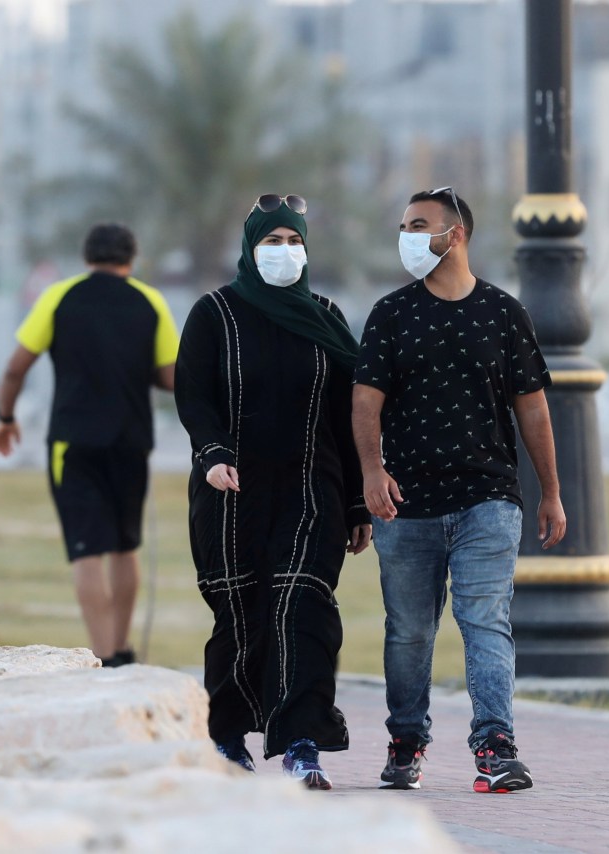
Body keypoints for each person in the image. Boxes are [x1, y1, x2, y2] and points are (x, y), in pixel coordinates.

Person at [352, 187, 566, 794]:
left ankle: (496, 746)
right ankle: (406, 741)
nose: (409, 236)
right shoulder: (390, 314)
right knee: (410, 631)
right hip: (406, 502)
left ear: (457, 234)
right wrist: (372, 471)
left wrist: (550, 492)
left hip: (488, 499)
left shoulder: (503, 313)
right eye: (404, 226)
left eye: (420, 225)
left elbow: (534, 409)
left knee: (485, 621)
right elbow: (365, 401)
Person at [175, 193, 371, 789]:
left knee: (304, 607)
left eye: (294, 242)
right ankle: (227, 739)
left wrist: (360, 502)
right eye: (271, 241)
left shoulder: (326, 315)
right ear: (248, 246)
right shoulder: (214, 313)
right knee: (240, 613)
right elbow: (193, 394)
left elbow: (347, 414)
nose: (284, 252)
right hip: (230, 490)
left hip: (314, 489)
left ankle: (301, 745)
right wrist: (211, 454)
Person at [0, 223, 179, 667]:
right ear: (130, 260)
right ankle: (123, 649)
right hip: (132, 440)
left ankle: (102, 656)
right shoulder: (149, 300)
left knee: (87, 550)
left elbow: (16, 368)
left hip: (73, 442)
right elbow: (172, 376)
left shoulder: (59, 296)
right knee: (123, 546)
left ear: (87, 258)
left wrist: (5, 418)